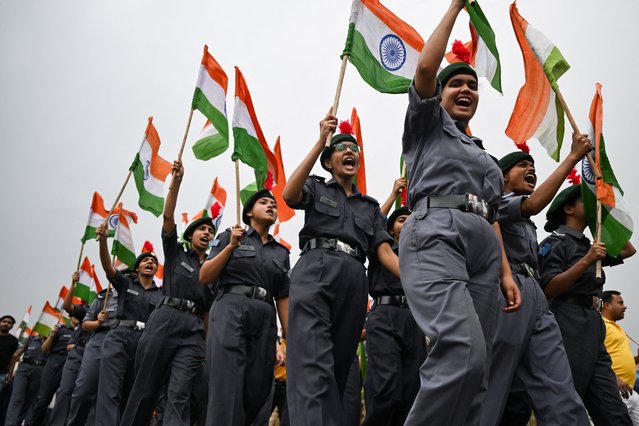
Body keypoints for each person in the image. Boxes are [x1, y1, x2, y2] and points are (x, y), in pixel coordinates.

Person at [398, 1, 520, 423]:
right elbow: (425, 72)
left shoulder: (482, 155)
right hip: (437, 232)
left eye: (473, 85)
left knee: (478, 368)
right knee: (461, 352)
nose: (466, 89)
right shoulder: (428, 125)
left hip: (483, 250)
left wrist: (505, 272)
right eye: (456, 85)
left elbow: (494, 215)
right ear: (441, 94)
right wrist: (455, 7)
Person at [283, 114, 400, 426]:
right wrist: (319, 142)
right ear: (328, 162)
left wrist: (415, 278)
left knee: (336, 369)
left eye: (355, 149)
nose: (350, 152)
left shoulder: (371, 207)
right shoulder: (317, 188)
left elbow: (384, 250)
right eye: (342, 148)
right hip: (316, 269)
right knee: (312, 362)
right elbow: (289, 195)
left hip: (354, 278)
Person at [481, 144, 593, 426]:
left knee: (558, 384)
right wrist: (572, 158)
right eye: (522, 166)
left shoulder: (528, 224)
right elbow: (533, 204)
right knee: (494, 384)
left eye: (533, 165)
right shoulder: (500, 204)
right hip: (510, 292)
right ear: (503, 178)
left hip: (536, 295)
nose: (530, 169)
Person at [121, 159, 214, 426]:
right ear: (191, 235)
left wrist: (205, 343)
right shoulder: (176, 254)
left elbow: (207, 309)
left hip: (193, 331)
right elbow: (168, 217)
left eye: (211, 230)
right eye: (202, 229)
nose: (207, 233)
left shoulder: (211, 269)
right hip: (165, 320)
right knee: (145, 390)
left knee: (180, 393)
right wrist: (176, 183)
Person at [539, 184, 636, 425]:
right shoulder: (555, 242)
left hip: (592, 326)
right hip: (567, 322)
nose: (593, 205)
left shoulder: (589, 244)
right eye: (586, 202)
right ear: (569, 208)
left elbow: (628, 249)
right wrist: (587, 260)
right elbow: (549, 287)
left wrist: (601, 220)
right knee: (565, 405)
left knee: (615, 414)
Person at [200, 189, 290, 425]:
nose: (271, 206)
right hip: (231, 309)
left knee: (259, 388)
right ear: (249, 212)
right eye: (264, 202)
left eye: (274, 204)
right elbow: (205, 275)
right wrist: (230, 247)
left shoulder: (281, 253)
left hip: (264, 316)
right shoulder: (230, 236)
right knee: (226, 387)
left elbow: (283, 296)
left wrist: (289, 338)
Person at [363, 181, 425, 426]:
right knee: (385, 387)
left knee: (412, 389)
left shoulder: (423, 253)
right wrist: (392, 195)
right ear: (389, 229)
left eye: (411, 218)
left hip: (415, 318)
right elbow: (371, 222)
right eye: (401, 219)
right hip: (385, 315)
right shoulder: (383, 246)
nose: (407, 221)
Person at [95, 225, 163, 426]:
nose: (149, 262)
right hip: (119, 338)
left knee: (132, 394)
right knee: (110, 392)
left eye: (153, 261)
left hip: (144, 344)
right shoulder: (126, 284)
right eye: (145, 260)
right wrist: (104, 241)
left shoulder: (161, 294)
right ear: (137, 267)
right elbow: (108, 267)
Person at [66, 287, 118, 426]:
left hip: (124, 343)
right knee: (83, 391)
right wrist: (98, 322)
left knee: (108, 397)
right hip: (99, 341)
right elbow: (86, 323)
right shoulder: (104, 297)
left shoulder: (141, 295)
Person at [47, 272, 91, 426]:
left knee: (83, 396)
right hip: (78, 355)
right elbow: (67, 306)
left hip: (97, 358)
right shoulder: (92, 308)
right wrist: (73, 284)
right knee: (65, 392)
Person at [26, 317, 77, 426]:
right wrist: (52, 334)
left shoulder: (84, 331)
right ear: (70, 317)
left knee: (63, 400)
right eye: (74, 314)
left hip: (73, 362)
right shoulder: (61, 329)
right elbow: (44, 349)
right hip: (55, 362)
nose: (77, 316)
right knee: (43, 398)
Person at [601, 290, 639, 424]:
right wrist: (615, 379)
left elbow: (617, 357)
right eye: (620, 303)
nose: (625, 306)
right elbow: (594, 357)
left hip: (629, 391)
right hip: (613, 390)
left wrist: (637, 359)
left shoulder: (617, 327)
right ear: (607, 305)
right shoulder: (600, 325)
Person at [5, 334, 46, 426]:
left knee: (29, 401)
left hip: (40, 370)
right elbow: (18, 354)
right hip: (24, 368)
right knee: (17, 398)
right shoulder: (31, 338)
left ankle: (17, 422)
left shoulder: (52, 340)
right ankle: (9, 424)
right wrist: (10, 373)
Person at [0, 315, 19, 424]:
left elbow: (13, 359)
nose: (6, 324)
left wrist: (10, 374)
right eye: (4, 321)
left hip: (2, 374)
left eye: (9, 323)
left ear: (12, 326)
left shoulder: (13, 341)